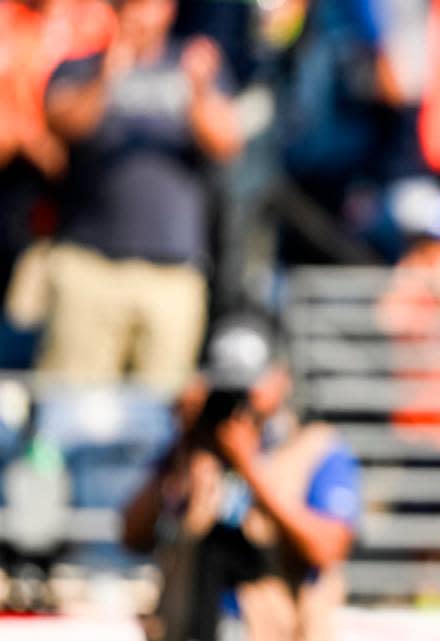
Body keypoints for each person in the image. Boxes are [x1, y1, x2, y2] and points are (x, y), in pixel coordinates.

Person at [41, 0, 241, 394]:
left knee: (161, 412)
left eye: (147, 5)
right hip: (91, 264)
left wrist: (198, 91)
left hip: (170, 271)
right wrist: (108, 73)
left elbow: (227, 143)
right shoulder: (82, 66)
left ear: (168, 10)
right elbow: (64, 124)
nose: (137, 14)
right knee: (70, 407)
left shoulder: (193, 65)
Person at [122, 318, 361, 641]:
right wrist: (183, 443)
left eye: (248, 383)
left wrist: (250, 467)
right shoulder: (194, 449)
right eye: (226, 382)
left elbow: (327, 548)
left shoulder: (315, 448)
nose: (238, 395)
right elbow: (132, 535)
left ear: (281, 379)